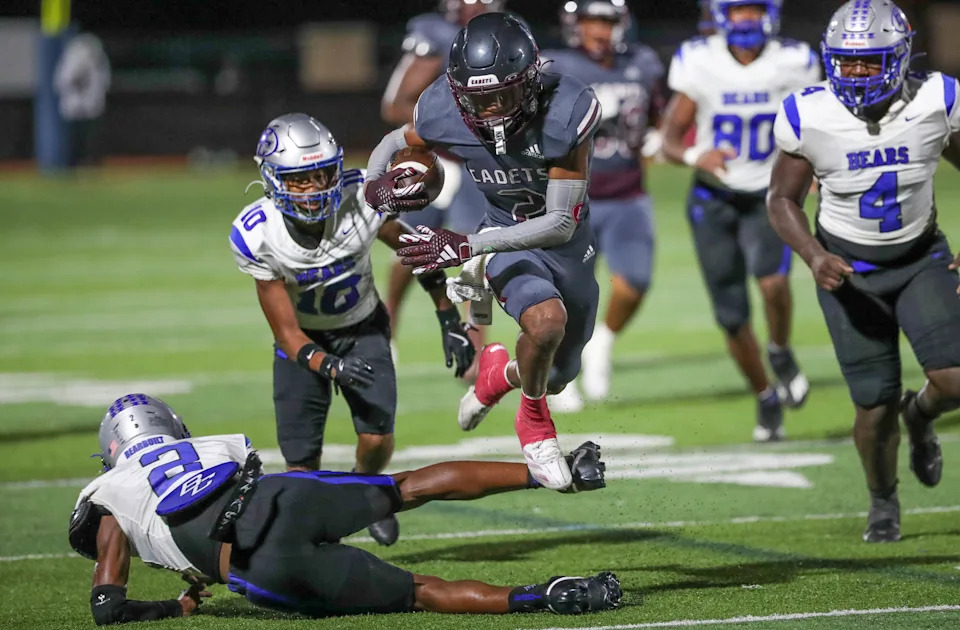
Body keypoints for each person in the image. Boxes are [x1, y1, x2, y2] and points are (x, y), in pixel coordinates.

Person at [69, 394, 620, 623]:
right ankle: (552, 473)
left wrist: (174, 608)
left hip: (257, 563)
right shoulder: (206, 444)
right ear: (170, 428)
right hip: (280, 500)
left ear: (112, 450)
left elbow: (107, 607)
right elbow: (210, 491)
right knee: (407, 486)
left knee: (420, 591)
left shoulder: (107, 494)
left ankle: (542, 597)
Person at [364, 13, 602, 491]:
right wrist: (375, 187)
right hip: (500, 232)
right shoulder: (442, 108)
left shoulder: (566, 111)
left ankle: (498, 374)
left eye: (501, 95)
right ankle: (534, 423)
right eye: (476, 99)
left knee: (559, 372)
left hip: (563, 242)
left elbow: (559, 223)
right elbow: (393, 141)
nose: (489, 110)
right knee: (546, 322)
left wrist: (465, 245)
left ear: (529, 81)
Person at [229, 113, 475, 545]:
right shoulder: (258, 233)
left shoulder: (362, 198)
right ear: (272, 179)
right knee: (301, 463)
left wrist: (448, 317)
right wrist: (331, 366)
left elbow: (416, 250)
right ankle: (315, 538)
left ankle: (364, 493)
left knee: (377, 439)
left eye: (321, 175)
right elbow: (287, 334)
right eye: (299, 180)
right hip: (304, 342)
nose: (313, 189)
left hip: (363, 329)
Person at [767, 0, 960, 542]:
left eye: (868, 62)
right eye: (845, 61)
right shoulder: (810, 114)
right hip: (849, 271)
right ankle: (883, 501)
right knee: (873, 407)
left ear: (899, 59)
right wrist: (813, 255)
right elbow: (781, 200)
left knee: (954, 380)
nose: (854, 73)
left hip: (920, 258)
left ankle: (919, 415)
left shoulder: (935, 100)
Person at [660, 0, 818, 442]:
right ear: (721, 14)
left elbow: (818, 123)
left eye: (754, 9)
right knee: (731, 316)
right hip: (713, 199)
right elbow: (669, 139)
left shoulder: (794, 61)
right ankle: (765, 395)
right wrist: (697, 154)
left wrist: (818, 169)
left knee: (774, 284)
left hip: (770, 195)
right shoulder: (700, 60)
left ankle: (780, 350)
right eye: (738, 9)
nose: (746, 19)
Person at [542, 0, 666, 408]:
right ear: (574, 25)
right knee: (569, 292)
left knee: (635, 282)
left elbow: (658, 115)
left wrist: (658, 137)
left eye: (606, 22)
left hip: (628, 195)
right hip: (573, 197)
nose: (599, 30)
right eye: (591, 21)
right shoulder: (556, 66)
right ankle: (561, 372)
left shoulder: (641, 63)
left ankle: (602, 343)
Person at [380, 0, 506, 372]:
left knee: (478, 253)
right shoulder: (436, 36)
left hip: (480, 163)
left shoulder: (504, 33)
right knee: (409, 248)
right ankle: (388, 322)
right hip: (436, 160)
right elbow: (394, 106)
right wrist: (450, 126)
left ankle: (475, 343)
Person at [54, 31, 111, 167]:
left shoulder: (99, 62)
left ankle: (91, 162)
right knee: (74, 138)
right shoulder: (71, 59)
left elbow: (104, 82)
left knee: (91, 138)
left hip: (92, 106)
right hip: (74, 107)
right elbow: (62, 82)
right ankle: (72, 163)